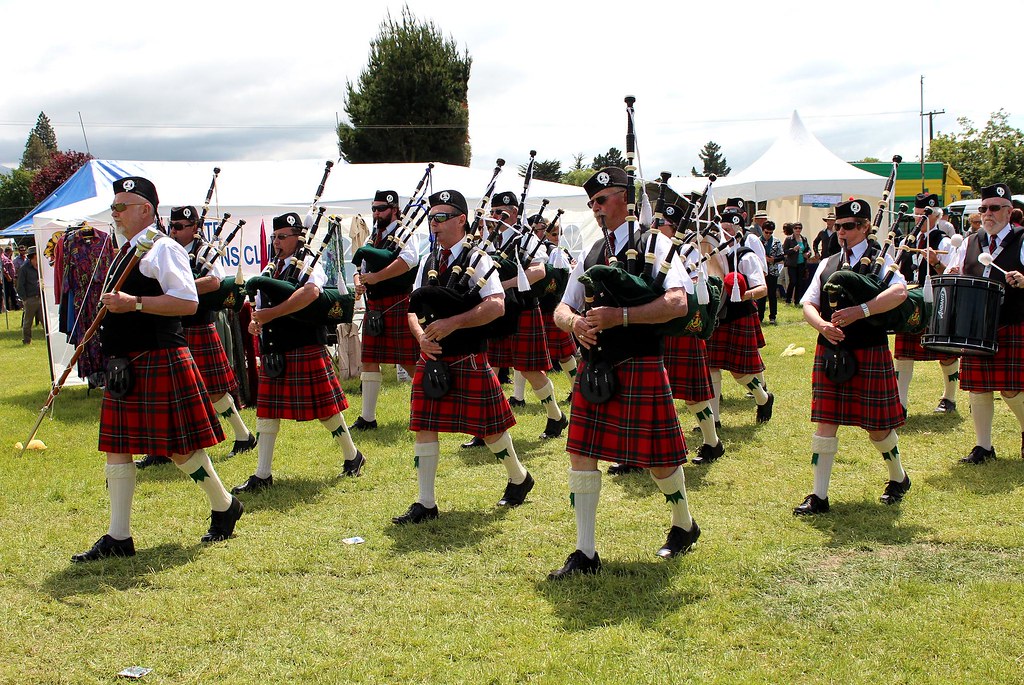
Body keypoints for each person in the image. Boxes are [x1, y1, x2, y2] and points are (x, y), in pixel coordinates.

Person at [71, 176, 242, 562]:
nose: (114, 213)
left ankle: (224, 504)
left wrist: (134, 304)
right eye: (113, 207)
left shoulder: (163, 249)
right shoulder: (125, 251)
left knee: (181, 451)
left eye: (121, 206)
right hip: (125, 364)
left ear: (145, 209)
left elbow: (186, 301)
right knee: (117, 448)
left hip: (158, 357)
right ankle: (119, 537)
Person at [548, 167, 700, 579]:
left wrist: (622, 316)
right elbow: (562, 306)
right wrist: (574, 324)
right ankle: (585, 553)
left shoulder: (656, 244)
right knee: (581, 454)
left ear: (625, 200)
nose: (595, 209)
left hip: (640, 364)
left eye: (602, 200)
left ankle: (684, 524)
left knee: (658, 463)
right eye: (592, 203)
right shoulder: (591, 253)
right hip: (595, 368)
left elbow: (677, 304)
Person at [393, 189, 534, 524]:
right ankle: (425, 502)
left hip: (468, 355)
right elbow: (413, 308)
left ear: (460, 220)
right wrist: (421, 338)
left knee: (490, 429)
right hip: (432, 357)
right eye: (431, 218)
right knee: (424, 426)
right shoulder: (428, 260)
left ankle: (519, 477)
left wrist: (452, 322)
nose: (434, 224)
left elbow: (497, 305)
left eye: (441, 217)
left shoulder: (478, 259)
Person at [793, 198, 910, 515]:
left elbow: (899, 293)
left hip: (869, 349)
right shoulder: (827, 263)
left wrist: (862, 311)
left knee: (876, 428)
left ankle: (898, 477)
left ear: (866, 227)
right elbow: (808, 304)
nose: (841, 232)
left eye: (849, 226)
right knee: (825, 422)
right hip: (831, 350)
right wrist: (822, 325)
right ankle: (819, 496)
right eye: (838, 226)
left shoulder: (880, 261)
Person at [234, 211, 364, 494]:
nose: (277, 242)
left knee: (326, 412)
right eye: (274, 237)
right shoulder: (274, 266)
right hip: (274, 347)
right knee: (267, 414)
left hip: (302, 344)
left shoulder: (308, 264)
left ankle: (353, 455)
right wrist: (257, 322)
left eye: (282, 237)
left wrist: (273, 314)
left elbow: (311, 294)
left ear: (297, 237)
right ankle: (262, 473)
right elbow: (261, 305)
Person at [137, 205, 256, 467]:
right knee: (166, 391)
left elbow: (214, 282)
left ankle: (243, 435)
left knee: (213, 390)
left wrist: (179, 289)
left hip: (197, 325)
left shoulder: (206, 251)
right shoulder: (165, 248)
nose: (175, 231)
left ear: (195, 228)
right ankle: (160, 448)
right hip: (169, 326)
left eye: (180, 227)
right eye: (172, 226)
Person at [481, 191, 567, 440]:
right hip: (497, 310)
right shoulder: (490, 240)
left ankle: (556, 416)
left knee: (530, 370)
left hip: (522, 308)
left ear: (515, 213)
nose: (496, 217)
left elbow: (539, 272)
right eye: (494, 212)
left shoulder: (526, 239)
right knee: (490, 367)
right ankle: (489, 424)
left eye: (502, 213)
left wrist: (506, 284)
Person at [948, 184, 1024, 464]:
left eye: (993, 208)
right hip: (976, 325)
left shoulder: (1022, 239)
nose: (987, 214)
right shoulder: (970, 241)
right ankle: (984, 447)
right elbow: (955, 272)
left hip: (1011, 321)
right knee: (978, 388)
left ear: (1008, 211)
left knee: (1011, 388)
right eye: (983, 209)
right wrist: (950, 270)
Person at [351, 190, 423, 430]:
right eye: (374, 208)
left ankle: (424, 411)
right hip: (375, 305)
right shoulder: (374, 235)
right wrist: (358, 280)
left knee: (411, 361)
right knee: (369, 360)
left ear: (394, 209)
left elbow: (408, 261)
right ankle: (367, 418)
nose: (376, 213)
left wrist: (376, 277)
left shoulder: (406, 233)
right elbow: (361, 265)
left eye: (381, 209)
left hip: (398, 302)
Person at [702, 209, 774, 433]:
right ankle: (713, 420)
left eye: (729, 231)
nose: (725, 234)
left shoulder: (746, 256)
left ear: (738, 232)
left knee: (740, 372)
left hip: (738, 315)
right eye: (722, 230)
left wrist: (742, 294)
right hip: (716, 316)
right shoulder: (710, 255)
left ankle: (763, 398)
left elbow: (762, 289)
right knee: (711, 367)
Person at [892, 193, 959, 415]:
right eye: (918, 215)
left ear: (936, 216)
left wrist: (936, 262)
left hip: (937, 300)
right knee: (904, 353)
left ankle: (949, 398)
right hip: (909, 301)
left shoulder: (944, 242)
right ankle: (899, 404)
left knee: (946, 351)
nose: (920, 220)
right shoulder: (904, 241)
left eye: (925, 216)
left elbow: (950, 277)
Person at [758, 219, 784, 325]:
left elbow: (782, 255)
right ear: (762, 230)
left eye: (771, 232)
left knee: (772, 294)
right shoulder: (757, 241)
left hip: (773, 271)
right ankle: (760, 316)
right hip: (761, 272)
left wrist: (774, 259)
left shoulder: (776, 241)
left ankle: (772, 316)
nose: (768, 234)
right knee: (761, 295)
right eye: (766, 232)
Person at [15, 246, 43, 344]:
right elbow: (19, 285)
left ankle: (49, 340)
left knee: (45, 321)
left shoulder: (40, 266)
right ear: (34, 255)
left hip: (41, 297)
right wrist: (25, 299)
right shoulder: (24, 268)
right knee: (28, 322)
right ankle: (27, 340)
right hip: (30, 298)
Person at [783, 223, 811, 304]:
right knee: (793, 281)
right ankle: (788, 300)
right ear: (793, 229)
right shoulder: (789, 239)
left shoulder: (804, 239)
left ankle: (797, 301)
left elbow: (808, 249)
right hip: (792, 264)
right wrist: (793, 249)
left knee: (799, 283)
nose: (798, 230)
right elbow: (784, 251)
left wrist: (808, 254)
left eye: (799, 228)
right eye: (796, 228)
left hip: (801, 263)